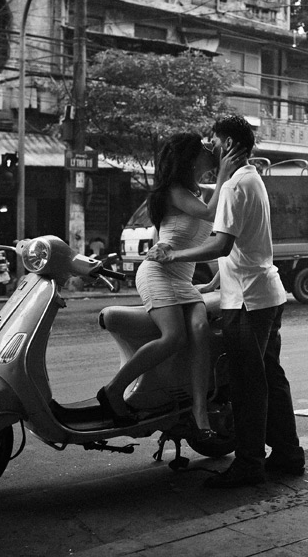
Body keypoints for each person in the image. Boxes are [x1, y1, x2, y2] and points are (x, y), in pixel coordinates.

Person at [146, 114, 305, 489]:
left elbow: (222, 244)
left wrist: (175, 257)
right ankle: (287, 454)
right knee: (270, 378)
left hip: (248, 301)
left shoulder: (235, 186)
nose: (211, 148)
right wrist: (213, 281)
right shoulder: (252, 180)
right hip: (264, 292)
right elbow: (241, 248)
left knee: (248, 385)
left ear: (230, 144)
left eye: (215, 142)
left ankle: (250, 465)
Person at [96, 132, 244, 435]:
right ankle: (113, 390)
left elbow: (219, 219)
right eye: (204, 150)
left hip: (183, 279)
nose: (209, 154)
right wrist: (225, 173)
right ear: (190, 159)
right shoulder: (175, 191)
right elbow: (210, 212)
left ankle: (199, 410)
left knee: (201, 331)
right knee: (174, 337)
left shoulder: (198, 191)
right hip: (158, 273)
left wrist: (217, 278)